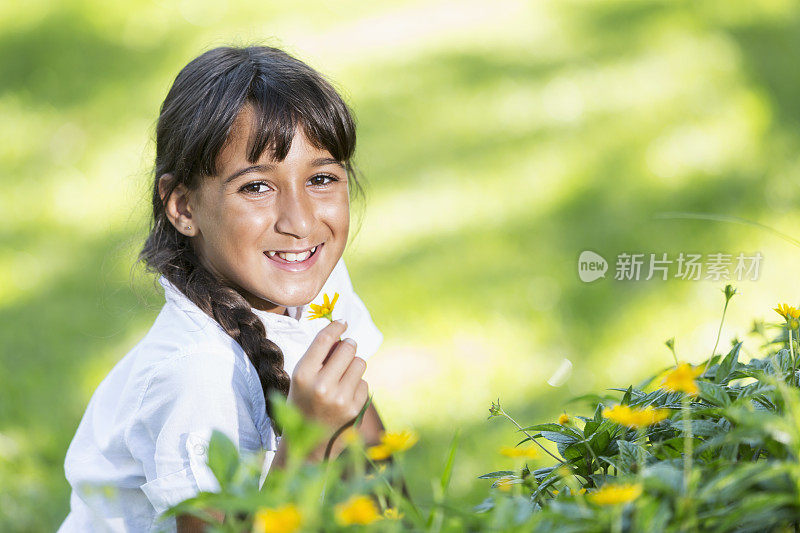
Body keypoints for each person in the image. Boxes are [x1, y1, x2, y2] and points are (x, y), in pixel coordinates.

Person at [58, 45, 388, 532]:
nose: (299, 223)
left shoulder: (314, 285)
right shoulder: (197, 375)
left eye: (320, 178)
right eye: (256, 186)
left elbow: (376, 471)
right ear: (183, 207)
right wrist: (308, 444)